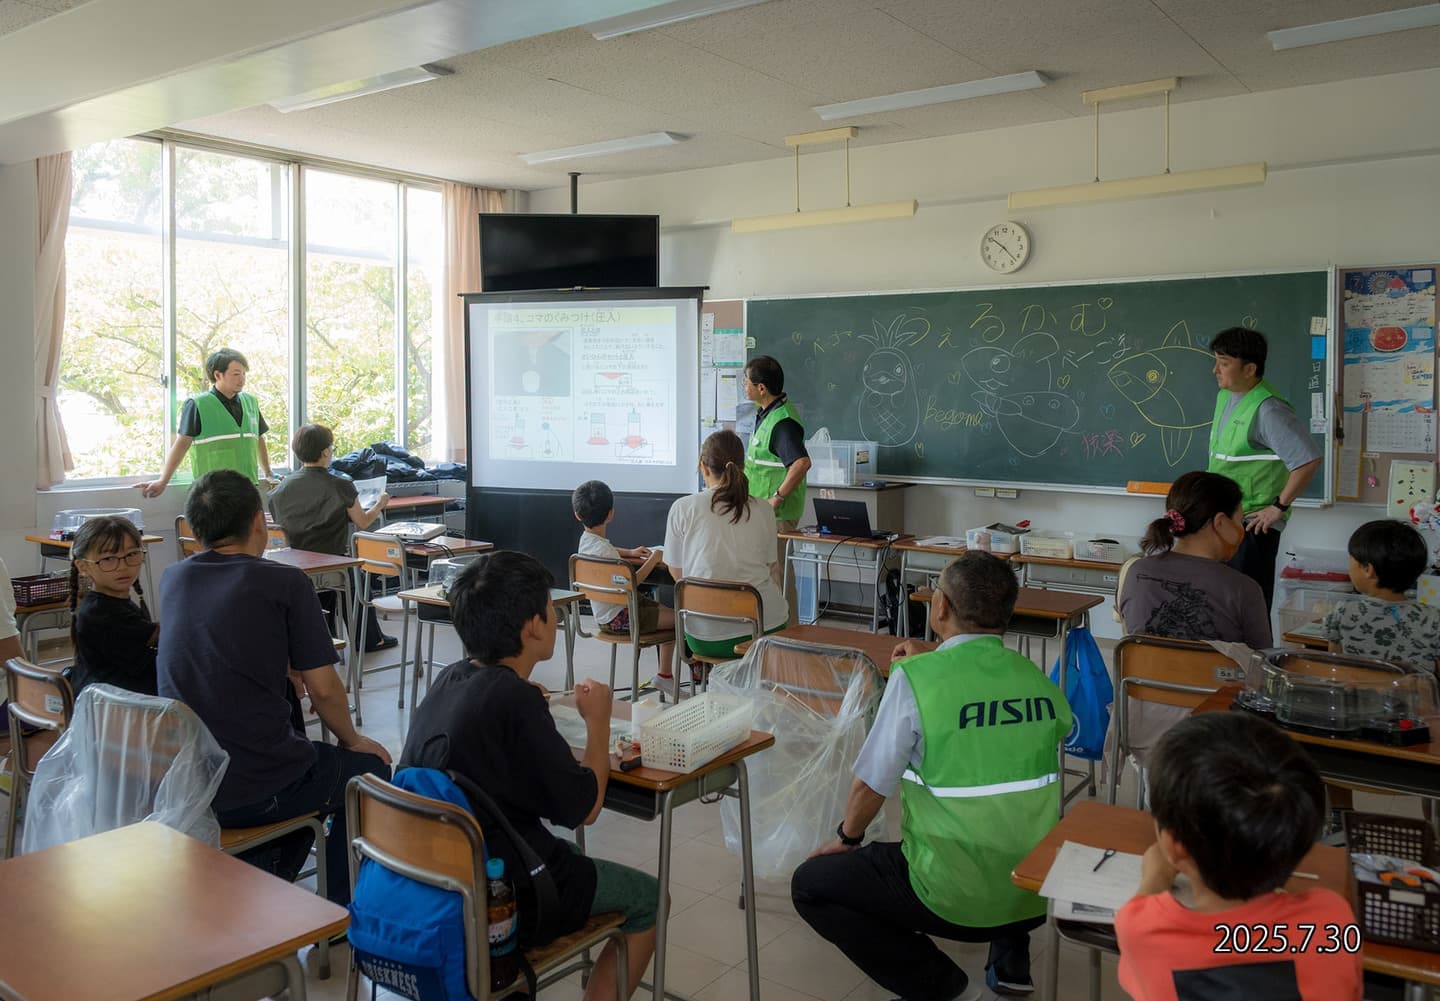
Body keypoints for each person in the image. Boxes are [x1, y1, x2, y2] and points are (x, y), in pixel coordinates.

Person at [792, 552, 1073, 1000]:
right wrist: (938, 659)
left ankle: (945, 988)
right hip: (1033, 890)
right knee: (1005, 818)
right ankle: (1010, 960)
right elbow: (990, 706)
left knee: (811, 886)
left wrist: (846, 838)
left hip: (952, 894)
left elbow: (871, 784)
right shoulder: (1035, 678)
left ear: (939, 606)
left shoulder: (916, 680)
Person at [400, 551, 656, 1001]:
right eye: (551, 609)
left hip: (435, 883)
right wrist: (598, 723)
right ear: (533, 626)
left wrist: (525, 699)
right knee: (650, 899)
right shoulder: (515, 702)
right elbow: (586, 808)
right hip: (505, 895)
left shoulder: (450, 680)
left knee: (567, 852)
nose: (556, 618)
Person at [157, 469, 391, 905]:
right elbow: (324, 690)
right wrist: (353, 739)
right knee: (368, 771)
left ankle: (265, 875)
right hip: (254, 786)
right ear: (258, 522)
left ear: (196, 529)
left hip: (190, 784)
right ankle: (337, 909)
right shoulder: (284, 581)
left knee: (299, 740)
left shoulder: (173, 577)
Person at [1115, 712, 1361, 1000]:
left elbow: (1139, 916)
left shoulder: (1144, 930)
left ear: (1174, 844)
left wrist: (1156, 876)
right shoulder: (1333, 918)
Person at [1207, 327, 1323, 611]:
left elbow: (1307, 460)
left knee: (1247, 607)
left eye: (1224, 363)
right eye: (1216, 361)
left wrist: (1278, 507)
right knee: (1223, 605)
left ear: (1250, 369)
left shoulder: (1268, 409)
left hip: (1253, 523)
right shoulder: (1226, 396)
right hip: (1226, 518)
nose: (1215, 370)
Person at [268, 423, 396, 652]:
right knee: (357, 577)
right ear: (326, 452)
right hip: (330, 565)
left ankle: (326, 633)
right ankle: (369, 639)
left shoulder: (279, 489)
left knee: (333, 581)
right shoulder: (340, 485)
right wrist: (380, 504)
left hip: (291, 567)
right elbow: (362, 522)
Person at [665, 430, 787, 662]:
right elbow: (772, 569)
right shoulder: (764, 509)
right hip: (764, 629)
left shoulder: (682, 508)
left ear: (704, 467)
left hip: (704, 635)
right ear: (743, 467)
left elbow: (678, 574)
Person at [1117, 470, 1271, 650]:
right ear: (1220, 522)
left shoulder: (1134, 571)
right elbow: (1263, 659)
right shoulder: (1243, 588)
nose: (1241, 529)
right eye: (1240, 520)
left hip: (1144, 669)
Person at [136, 348, 274, 497]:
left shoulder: (251, 402)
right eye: (236, 374)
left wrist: (268, 472)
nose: (242, 379)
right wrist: (163, 481)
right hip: (211, 492)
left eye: (244, 373)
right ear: (217, 375)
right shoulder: (197, 405)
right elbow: (182, 444)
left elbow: (258, 439)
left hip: (248, 487)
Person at [573, 479, 675, 673]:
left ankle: (664, 677)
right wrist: (655, 558)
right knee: (679, 620)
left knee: (665, 610)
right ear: (611, 514)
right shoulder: (608, 553)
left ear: (577, 515)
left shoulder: (586, 542)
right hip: (618, 619)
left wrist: (629, 552)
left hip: (606, 615)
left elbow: (605, 549)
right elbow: (631, 583)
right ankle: (665, 675)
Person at [742, 355, 811, 619]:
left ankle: (788, 632)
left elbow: (801, 463)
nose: (744, 386)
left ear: (761, 388)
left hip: (777, 515)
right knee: (767, 574)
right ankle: (772, 628)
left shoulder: (782, 422)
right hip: (761, 512)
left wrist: (777, 498)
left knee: (777, 575)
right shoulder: (766, 413)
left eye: (746, 381)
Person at [1326, 518, 1440, 673]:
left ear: (1368, 570)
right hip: (1413, 689)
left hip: (1358, 688)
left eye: (1351, 559)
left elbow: (1335, 667)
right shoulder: (1434, 618)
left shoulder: (1343, 612)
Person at [67, 515, 157, 695]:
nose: (123, 566)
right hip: (119, 706)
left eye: (131, 554)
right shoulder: (101, 613)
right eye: (108, 559)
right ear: (83, 567)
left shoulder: (107, 603)